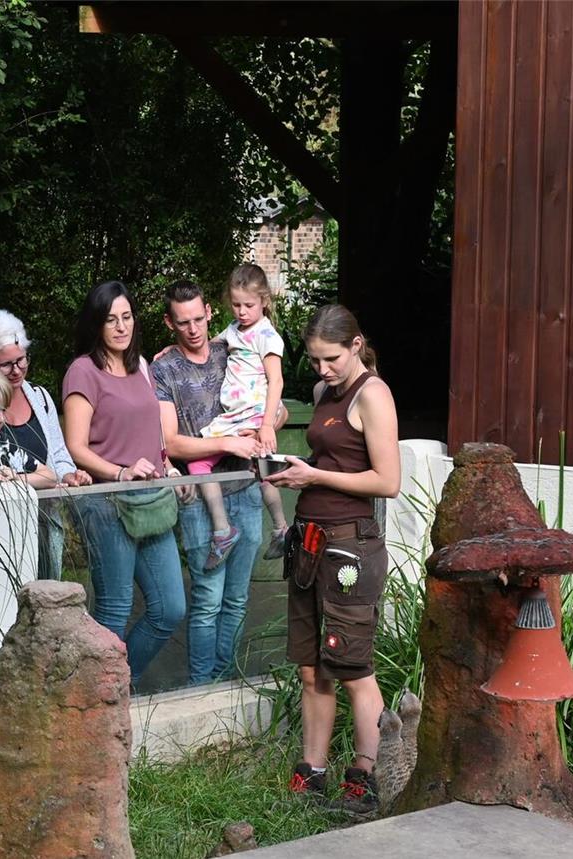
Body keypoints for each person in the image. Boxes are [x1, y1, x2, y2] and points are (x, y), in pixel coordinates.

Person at [265, 303, 400, 815]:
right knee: (310, 666)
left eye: (330, 359)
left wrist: (315, 477)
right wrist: (289, 470)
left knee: (352, 666)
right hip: (310, 539)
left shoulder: (374, 395)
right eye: (315, 359)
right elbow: (327, 459)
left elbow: (387, 482)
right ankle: (311, 772)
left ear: (355, 346)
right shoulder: (325, 393)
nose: (321, 370)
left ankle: (366, 776)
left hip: (351, 544)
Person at [61, 281, 186, 685]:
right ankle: (98, 703)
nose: (120, 327)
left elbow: (151, 432)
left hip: (151, 500)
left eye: (127, 317)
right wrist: (119, 472)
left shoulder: (141, 366)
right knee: (114, 609)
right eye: (110, 319)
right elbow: (75, 447)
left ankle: (112, 686)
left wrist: (167, 466)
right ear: (96, 324)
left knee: (170, 607)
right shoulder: (83, 370)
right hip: (107, 501)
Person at [153, 280, 272, 686]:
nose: (193, 329)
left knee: (237, 600)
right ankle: (200, 687)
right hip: (201, 499)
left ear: (208, 312)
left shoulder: (232, 348)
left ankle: (223, 684)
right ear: (170, 322)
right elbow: (172, 443)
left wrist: (269, 423)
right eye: (183, 322)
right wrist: (230, 442)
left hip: (247, 489)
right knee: (207, 601)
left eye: (199, 318)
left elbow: (270, 392)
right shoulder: (163, 368)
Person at [0, 309, 92, 578]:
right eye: (6, 365)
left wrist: (69, 474)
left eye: (21, 359)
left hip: (41, 522)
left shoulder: (40, 397)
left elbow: (56, 455)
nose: (17, 370)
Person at [190, 264, 290, 568]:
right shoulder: (234, 330)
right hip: (233, 416)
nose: (242, 311)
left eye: (249, 305)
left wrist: (266, 425)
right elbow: (208, 345)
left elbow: (277, 380)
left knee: (260, 469)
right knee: (208, 463)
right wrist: (174, 347)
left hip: (252, 414)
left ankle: (251, 529)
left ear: (264, 301)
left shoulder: (266, 335)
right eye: (236, 305)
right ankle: (252, 529)